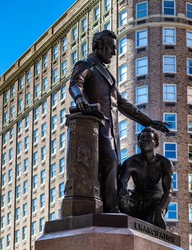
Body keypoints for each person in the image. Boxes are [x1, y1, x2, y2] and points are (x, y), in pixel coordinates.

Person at [69, 30, 169, 213]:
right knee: (110, 162)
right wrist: (79, 99)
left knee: (113, 165)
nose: (114, 53)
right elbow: (76, 84)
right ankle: (112, 208)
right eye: (111, 48)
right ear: (100, 45)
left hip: (111, 131)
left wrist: (149, 121)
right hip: (95, 126)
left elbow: (123, 104)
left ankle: (110, 206)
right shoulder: (86, 65)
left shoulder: (108, 75)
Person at [118, 127, 173, 229]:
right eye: (142, 138)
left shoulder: (164, 163)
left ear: (155, 143)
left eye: (148, 138)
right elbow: (122, 182)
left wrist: (160, 210)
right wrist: (124, 191)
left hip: (156, 201)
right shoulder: (130, 162)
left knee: (149, 223)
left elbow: (168, 191)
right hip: (137, 199)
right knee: (122, 199)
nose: (144, 140)